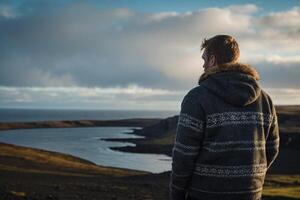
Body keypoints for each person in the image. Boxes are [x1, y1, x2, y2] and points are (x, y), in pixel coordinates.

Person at [169, 35, 279, 200]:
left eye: (205, 59)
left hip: (204, 195)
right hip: (250, 194)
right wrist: (250, 179)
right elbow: (272, 148)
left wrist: (176, 194)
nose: (203, 65)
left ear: (212, 60)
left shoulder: (197, 97)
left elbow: (184, 155)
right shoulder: (265, 100)